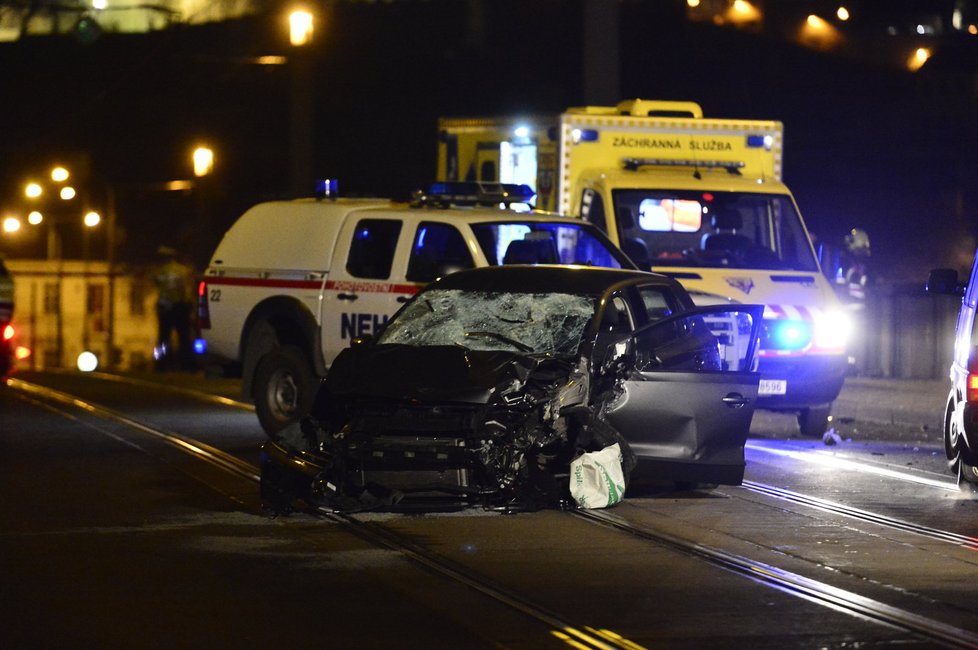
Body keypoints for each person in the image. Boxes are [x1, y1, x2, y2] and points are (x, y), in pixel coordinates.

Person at [153, 246, 196, 370]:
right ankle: (187, 364)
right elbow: (187, 289)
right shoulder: (183, 270)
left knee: (163, 337)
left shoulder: (160, 271)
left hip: (165, 307)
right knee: (184, 336)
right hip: (181, 306)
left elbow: (156, 284)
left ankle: (161, 364)